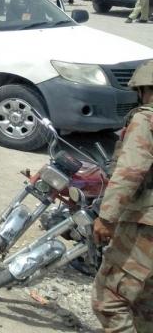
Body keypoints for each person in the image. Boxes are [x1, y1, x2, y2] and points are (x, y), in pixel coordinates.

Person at [91, 60, 153, 331]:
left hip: (145, 226)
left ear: (143, 89)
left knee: (110, 298)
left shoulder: (146, 119)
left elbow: (131, 170)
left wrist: (107, 218)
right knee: (145, 305)